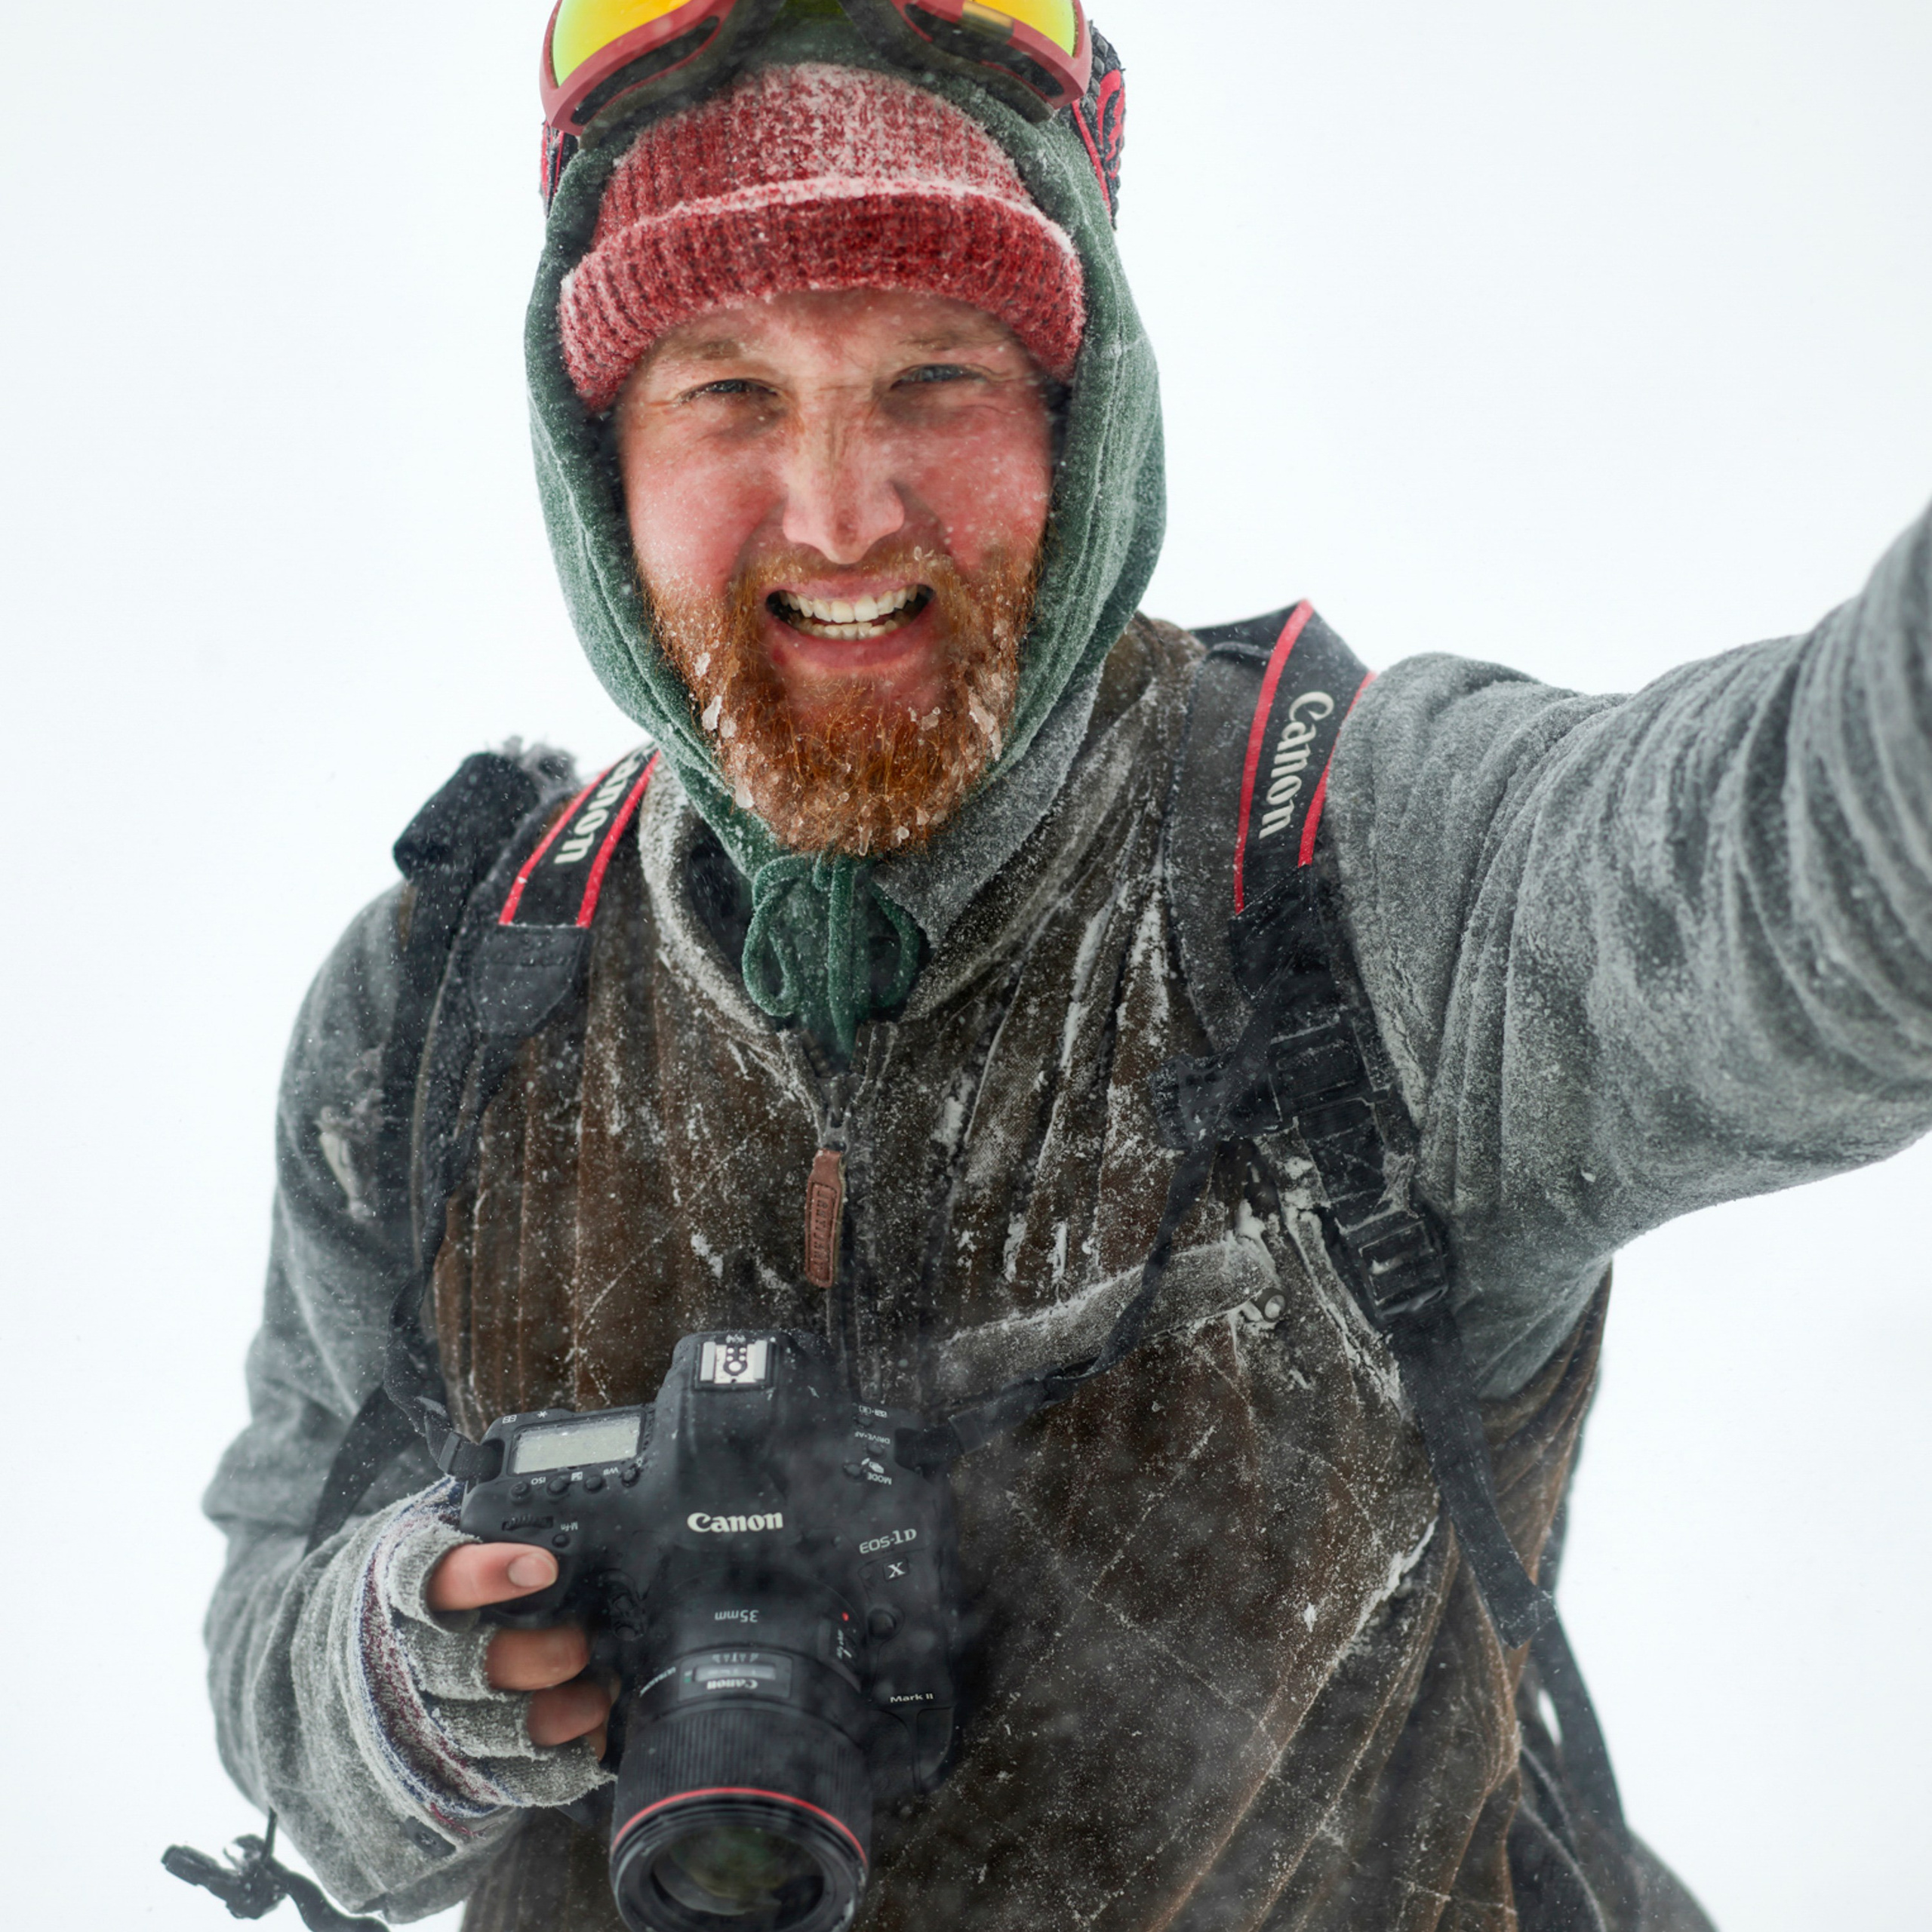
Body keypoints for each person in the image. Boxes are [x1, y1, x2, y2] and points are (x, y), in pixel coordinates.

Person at [200, 7, 1932, 1930]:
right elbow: (277, 1622)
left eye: (935, 373)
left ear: (1081, 405)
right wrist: (396, 1679)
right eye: (725, 391)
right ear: (593, 452)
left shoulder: (1359, 891)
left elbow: (1821, 858)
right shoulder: (442, 1008)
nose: (841, 514)